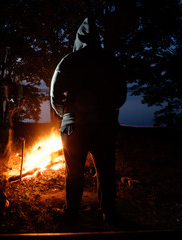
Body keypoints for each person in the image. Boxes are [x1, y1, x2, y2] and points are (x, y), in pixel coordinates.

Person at [50, 17, 127, 223]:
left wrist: (65, 114)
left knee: (73, 171)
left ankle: (72, 213)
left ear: (78, 38)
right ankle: (108, 213)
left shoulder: (67, 61)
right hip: (104, 124)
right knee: (105, 171)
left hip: (73, 124)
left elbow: (55, 95)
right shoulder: (111, 61)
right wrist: (108, 111)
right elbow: (121, 95)